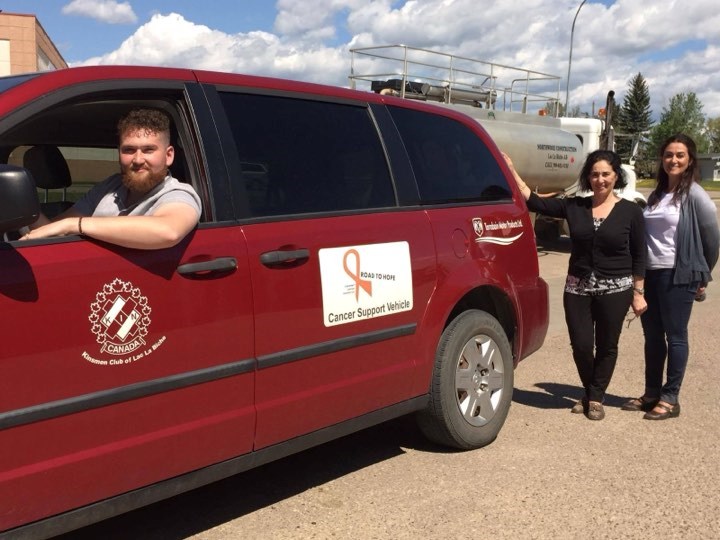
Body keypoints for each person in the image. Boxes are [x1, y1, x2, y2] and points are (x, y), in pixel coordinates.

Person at [504, 150, 646, 420]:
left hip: (616, 288)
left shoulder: (631, 212)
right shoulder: (575, 206)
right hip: (577, 288)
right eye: (594, 174)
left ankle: (594, 397)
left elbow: (640, 255)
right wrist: (511, 169)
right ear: (587, 177)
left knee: (607, 345)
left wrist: (638, 293)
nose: (600, 179)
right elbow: (534, 202)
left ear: (616, 176)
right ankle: (591, 389)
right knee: (581, 344)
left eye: (606, 174)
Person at [622, 134, 719, 420]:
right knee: (652, 337)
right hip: (650, 274)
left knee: (676, 336)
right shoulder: (657, 194)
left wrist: (703, 272)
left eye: (679, 155)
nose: (673, 160)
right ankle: (652, 393)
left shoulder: (696, 194)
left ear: (690, 160)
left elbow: (712, 238)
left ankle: (670, 398)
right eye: (668, 155)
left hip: (679, 274)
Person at [22, 108, 201, 249]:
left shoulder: (178, 194)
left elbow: (169, 232)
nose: (138, 160)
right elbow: (50, 233)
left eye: (148, 150)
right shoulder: (110, 187)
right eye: (129, 150)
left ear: (168, 155)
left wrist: (74, 224)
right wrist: (25, 208)